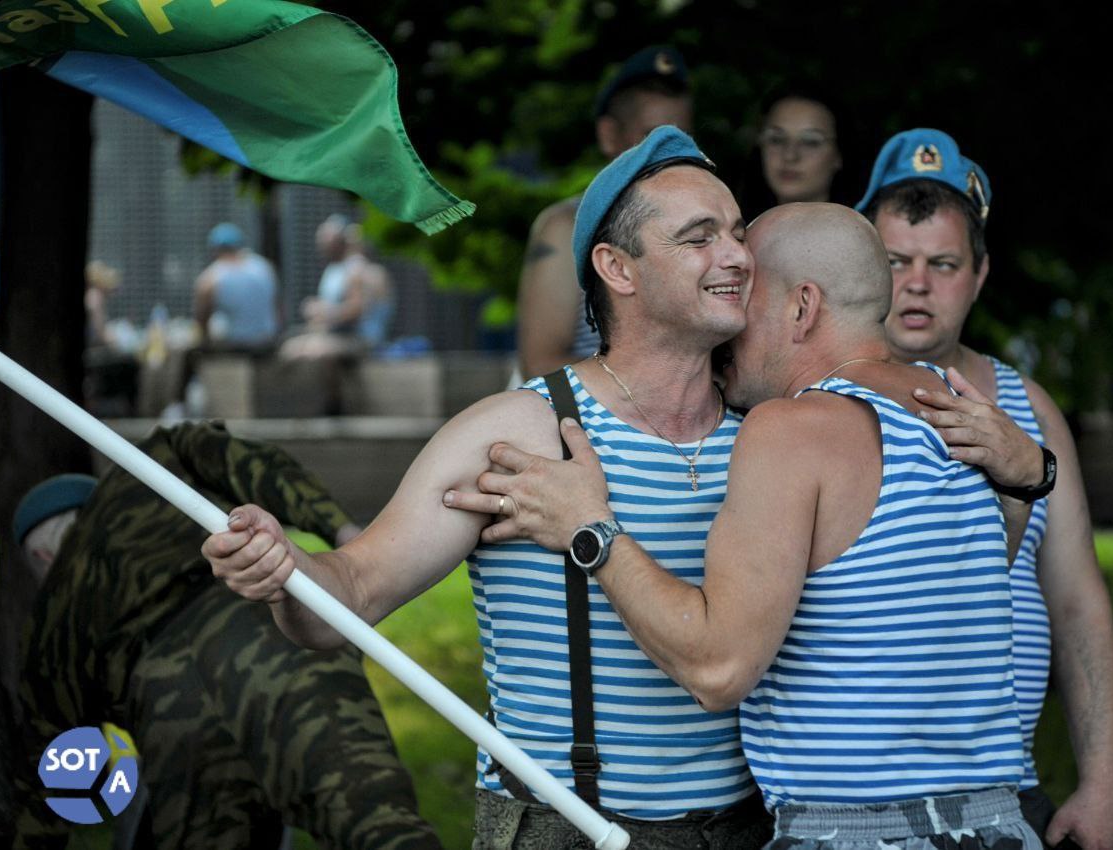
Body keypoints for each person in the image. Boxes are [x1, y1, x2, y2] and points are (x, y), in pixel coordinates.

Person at [204, 127, 780, 849]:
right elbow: (347, 596)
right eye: (700, 238)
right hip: (566, 829)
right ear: (617, 268)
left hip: (752, 831)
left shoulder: (770, 437)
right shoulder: (519, 433)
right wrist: (285, 569)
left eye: (736, 233)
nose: (736, 256)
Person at [442, 203, 1051, 850]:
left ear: (801, 308)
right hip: (999, 826)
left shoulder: (791, 430)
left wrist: (589, 527)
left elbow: (719, 668)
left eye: (744, 300)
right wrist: (1033, 476)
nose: (725, 327)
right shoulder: (956, 411)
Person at [857, 128, 1113, 850]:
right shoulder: (812, 405)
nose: (916, 283)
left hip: (1006, 794)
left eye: (943, 263)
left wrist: (1104, 786)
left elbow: (1076, 605)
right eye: (894, 261)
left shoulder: (1030, 409)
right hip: (847, 800)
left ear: (978, 275)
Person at [10, 423, 438, 850]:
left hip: (171, 710)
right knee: (378, 822)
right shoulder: (151, 468)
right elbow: (250, 464)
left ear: (44, 556)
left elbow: (48, 775)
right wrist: (339, 528)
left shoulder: (49, 620)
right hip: (275, 642)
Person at [515, 45, 693, 379]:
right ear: (609, 135)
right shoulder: (566, 228)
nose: (669, 153)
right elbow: (538, 364)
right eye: (651, 137)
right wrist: (663, 380)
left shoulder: (705, 229)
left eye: (682, 138)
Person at [282, 214, 394, 359]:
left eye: (327, 237)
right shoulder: (334, 269)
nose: (321, 242)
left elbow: (356, 310)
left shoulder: (356, 269)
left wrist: (325, 312)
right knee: (290, 344)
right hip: (339, 334)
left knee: (306, 351)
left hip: (361, 339)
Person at [738, 86, 851, 220]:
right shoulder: (734, 232)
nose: (790, 156)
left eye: (810, 142)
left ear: (838, 154)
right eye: (777, 139)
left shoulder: (863, 236)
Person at [192, 222, 280, 348]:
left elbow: (201, 319)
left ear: (215, 250)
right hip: (268, 339)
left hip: (235, 343)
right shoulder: (265, 268)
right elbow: (277, 308)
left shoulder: (211, 277)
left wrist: (204, 342)